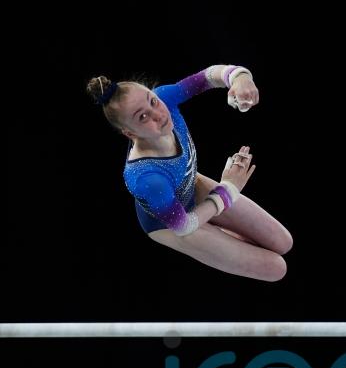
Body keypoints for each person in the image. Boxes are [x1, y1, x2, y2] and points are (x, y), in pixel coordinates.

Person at [86, 65, 292, 282]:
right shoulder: (146, 178)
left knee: (283, 242)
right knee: (276, 268)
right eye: (143, 116)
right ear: (129, 133)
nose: (159, 114)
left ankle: (221, 234)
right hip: (169, 224)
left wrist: (239, 78)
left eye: (152, 101)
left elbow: (207, 78)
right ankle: (216, 237)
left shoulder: (164, 98)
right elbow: (183, 226)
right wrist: (228, 189)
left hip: (189, 185)